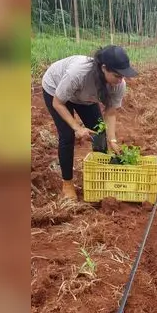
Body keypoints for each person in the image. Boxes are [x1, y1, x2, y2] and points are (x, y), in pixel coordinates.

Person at [41, 45, 137, 200]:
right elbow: (58, 103)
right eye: (117, 75)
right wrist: (76, 127)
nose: (120, 80)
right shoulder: (78, 73)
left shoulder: (119, 84)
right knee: (67, 136)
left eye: (122, 76)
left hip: (85, 97)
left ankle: (101, 174)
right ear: (104, 68)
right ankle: (67, 183)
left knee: (99, 133)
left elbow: (111, 112)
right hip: (56, 90)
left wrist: (112, 140)